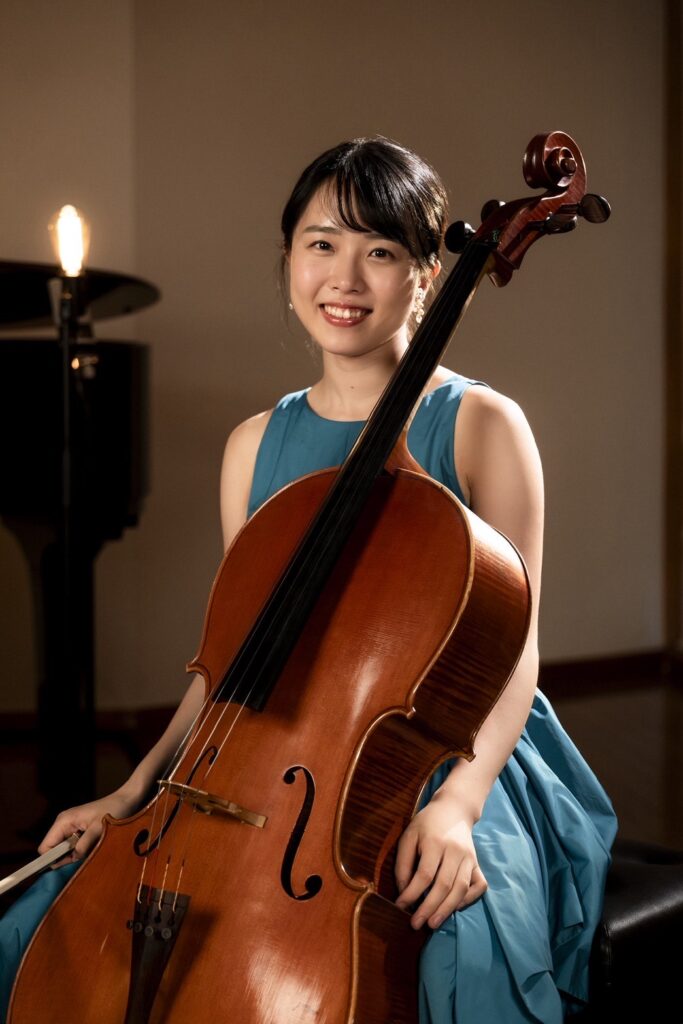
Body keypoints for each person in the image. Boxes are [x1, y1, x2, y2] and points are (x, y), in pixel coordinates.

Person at [0, 137, 616, 1023]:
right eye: (321, 244)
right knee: (49, 925)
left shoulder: (481, 424)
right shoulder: (252, 446)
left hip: (449, 747)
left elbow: (515, 656)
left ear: (427, 274)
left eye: (380, 251)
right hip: (271, 755)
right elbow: (232, 660)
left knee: (450, 950)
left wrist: (459, 806)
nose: (344, 278)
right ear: (288, 258)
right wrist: (134, 791)